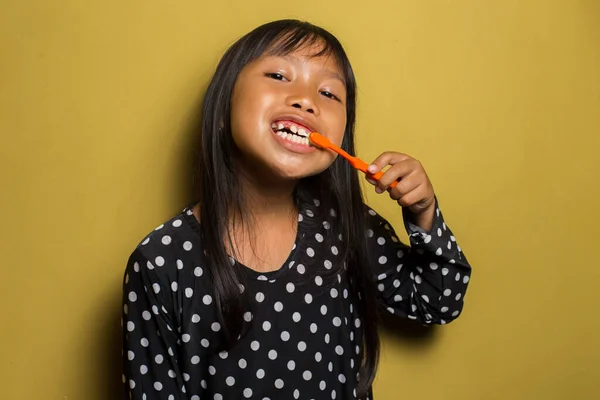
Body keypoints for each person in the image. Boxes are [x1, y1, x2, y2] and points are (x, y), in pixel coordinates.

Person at [121, 19, 472, 400]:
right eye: (278, 74)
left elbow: (439, 301)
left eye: (329, 93)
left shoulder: (346, 227)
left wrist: (424, 212)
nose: (307, 100)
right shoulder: (160, 261)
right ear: (223, 109)